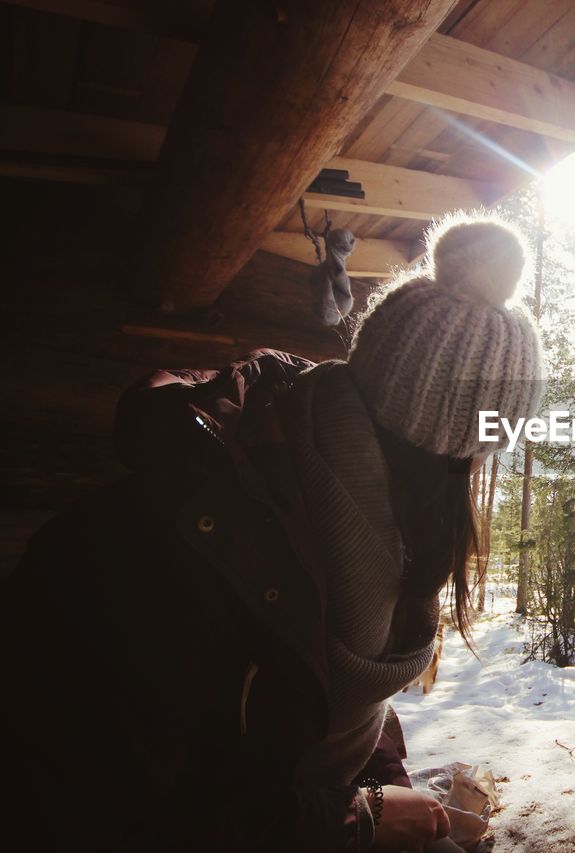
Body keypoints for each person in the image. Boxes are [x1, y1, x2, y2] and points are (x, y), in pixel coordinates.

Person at [0, 216, 543, 852]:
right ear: (437, 457)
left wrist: (382, 786)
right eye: (477, 460)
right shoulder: (147, 555)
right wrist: (357, 819)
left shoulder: (350, 520)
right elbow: (91, 819)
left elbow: (332, 706)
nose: (475, 487)